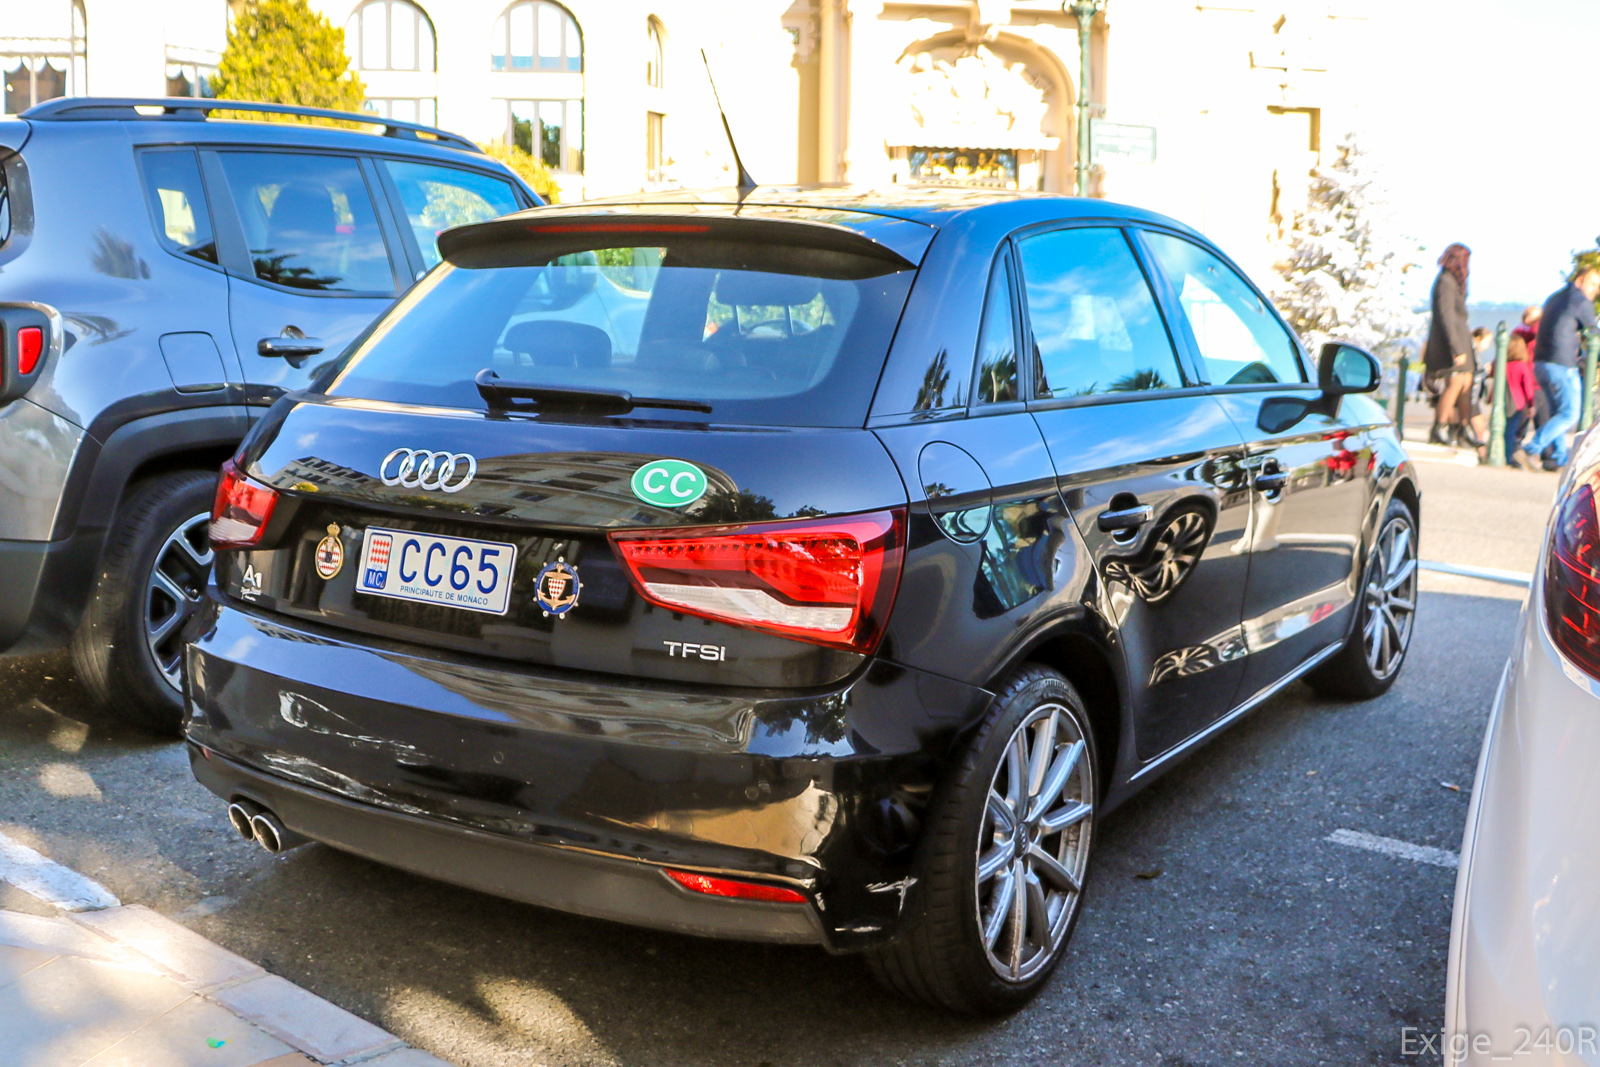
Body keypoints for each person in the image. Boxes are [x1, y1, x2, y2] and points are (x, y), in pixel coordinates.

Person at [1514, 266, 1600, 471]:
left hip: (1542, 363)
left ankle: (1557, 459)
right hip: (1562, 365)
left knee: (1558, 414)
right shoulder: (1580, 300)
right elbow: (1594, 331)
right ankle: (1530, 449)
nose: (1595, 290)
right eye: (1593, 284)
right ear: (1580, 281)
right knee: (1570, 414)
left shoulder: (1555, 297)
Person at [1424, 243, 1481, 447]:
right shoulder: (1445, 282)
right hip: (1450, 341)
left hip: (1461, 338)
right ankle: (1439, 428)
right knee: (1455, 383)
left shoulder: (1453, 282)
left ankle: (1463, 428)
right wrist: (1456, 348)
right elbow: (1446, 316)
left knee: (1466, 382)